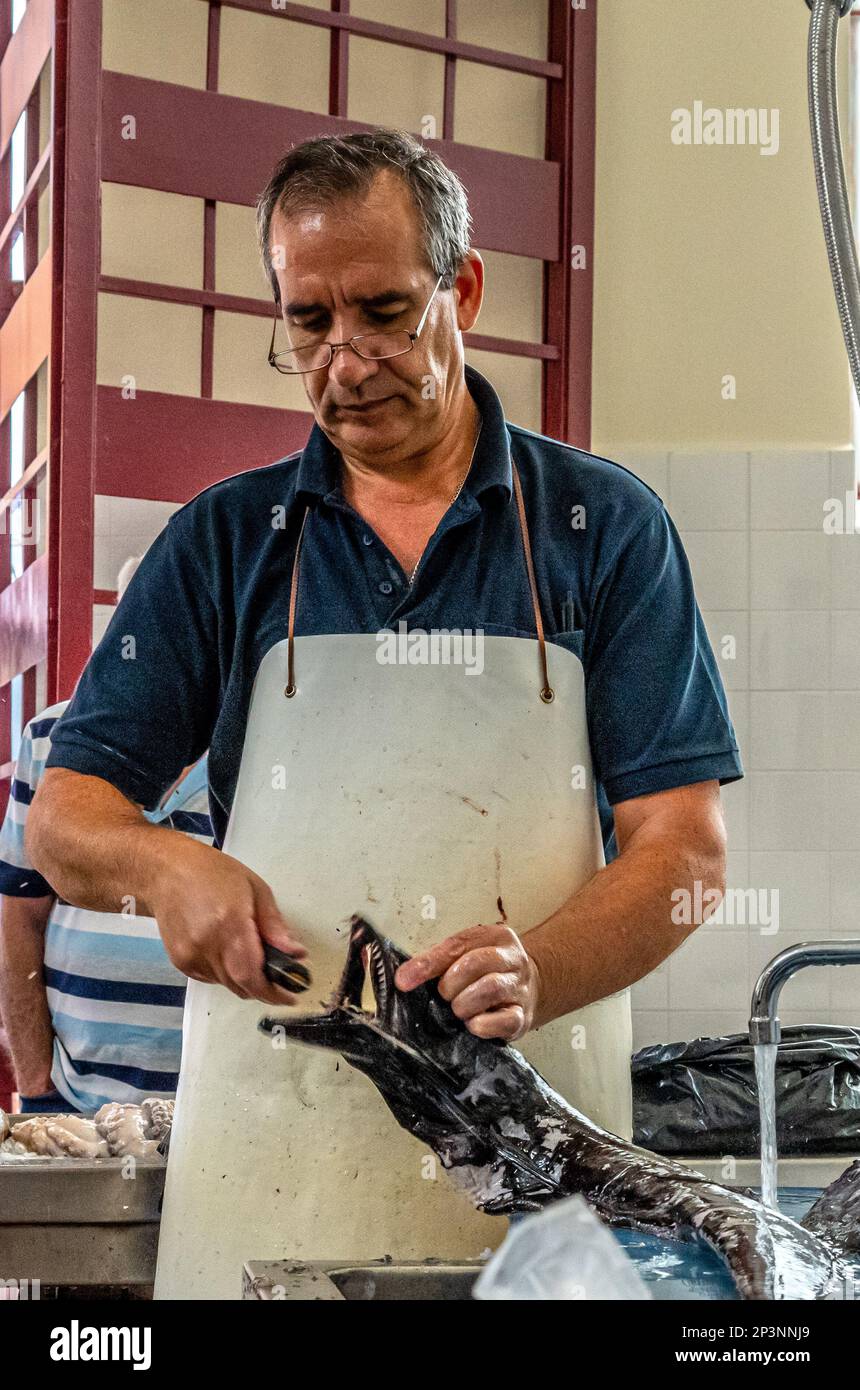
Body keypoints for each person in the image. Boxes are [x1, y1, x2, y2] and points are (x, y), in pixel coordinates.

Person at [25, 129, 740, 1295]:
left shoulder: (599, 529)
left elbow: (686, 852)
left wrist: (540, 967)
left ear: (461, 288)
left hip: (536, 1159)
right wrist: (164, 865)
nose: (347, 362)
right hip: (270, 1144)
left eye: (384, 311)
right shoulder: (226, 542)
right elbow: (63, 821)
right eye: (309, 322)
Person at [0, 561, 213, 1112]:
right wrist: (37, 1087)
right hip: (79, 1103)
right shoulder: (50, 736)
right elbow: (19, 915)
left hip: (224, 1112)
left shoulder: (263, 748)